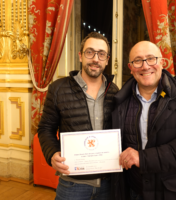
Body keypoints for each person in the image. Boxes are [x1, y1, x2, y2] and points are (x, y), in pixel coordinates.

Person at [111, 41, 176, 200]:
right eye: (138, 61)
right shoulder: (120, 102)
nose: (145, 66)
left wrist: (142, 158)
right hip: (135, 191)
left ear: (162, 63)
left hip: (174, 193)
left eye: (151, 58)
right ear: (131, 68)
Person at [38, 32, 119, 200]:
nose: (95, 59)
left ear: (107, 59)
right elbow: (46, 128)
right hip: (72, 184)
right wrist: (52, 153)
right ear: (80, 56)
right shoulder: (58, 88)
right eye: (90, 52)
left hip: (108, 184)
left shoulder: (115, 91)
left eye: (101, 54)